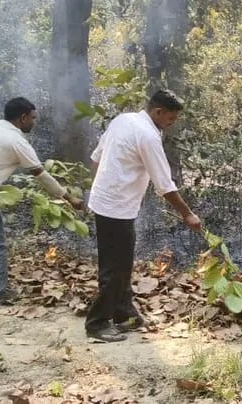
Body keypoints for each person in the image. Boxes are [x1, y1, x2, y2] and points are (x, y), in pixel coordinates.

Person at [85, 90, 202, 343]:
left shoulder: (123, 120)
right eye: (170, 119)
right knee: (115, 267)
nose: (171, 124)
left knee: (122, 263)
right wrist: (188, 214)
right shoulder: (148, 135)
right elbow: (164, 185)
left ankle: (124, 313)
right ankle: (97, 323)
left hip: (109, 203)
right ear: (157, 112)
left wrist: (98, 189)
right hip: (116, 207)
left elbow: (96, 157)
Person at [0, 97, 85, 306]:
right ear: (22, 118)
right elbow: (41, 175)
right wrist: (70, 198)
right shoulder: (16, 141)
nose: (34, 122)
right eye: (33, 118)